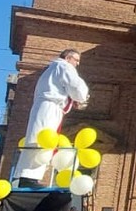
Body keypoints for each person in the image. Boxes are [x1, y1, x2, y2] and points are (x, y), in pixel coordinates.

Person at [17, 49, 89, 188]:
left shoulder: (51, 69)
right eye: (76, 60)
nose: (78, 64)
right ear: (68, 58)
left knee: (39, 138)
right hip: (50, 107)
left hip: (46, 106)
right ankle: (29, 178)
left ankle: (29, 177)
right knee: (43, 140)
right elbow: (76, 86)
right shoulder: (64, 66)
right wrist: (83, 97)